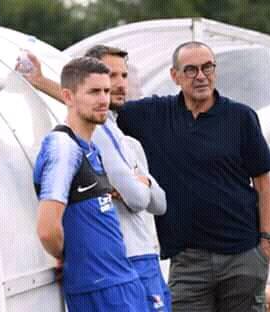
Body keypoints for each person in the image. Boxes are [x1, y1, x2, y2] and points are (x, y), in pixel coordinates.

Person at [116, 41, 270, 312]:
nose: (201, 76)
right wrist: (39, 80)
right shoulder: (155, 115)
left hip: (242, 256)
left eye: (207, 68)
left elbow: (264, 184)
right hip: (188, 261)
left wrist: (266, 243)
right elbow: (93, 104)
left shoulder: (240, 117)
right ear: (175, 76)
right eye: (190, 70)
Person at [19, 45, 171, 311]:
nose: (108, 94)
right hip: (105, 281)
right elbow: (47, 228)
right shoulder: (63, 146)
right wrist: (71, 255)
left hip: (124, 275)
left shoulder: (106, 142)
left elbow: (159, 202)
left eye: (109, 88)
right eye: (100, 87)